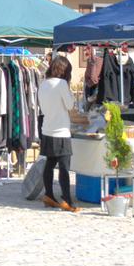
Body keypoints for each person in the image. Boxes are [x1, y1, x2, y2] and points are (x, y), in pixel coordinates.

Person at [37, 55, 79, 212]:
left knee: (50, 164)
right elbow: (69, 105)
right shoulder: (61, 84)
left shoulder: (43, 84)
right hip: (61, 130)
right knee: (64, 167)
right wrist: (71, 92)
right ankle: (67, 199)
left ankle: (49, 195)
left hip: (47, 129)